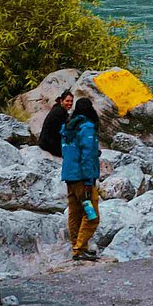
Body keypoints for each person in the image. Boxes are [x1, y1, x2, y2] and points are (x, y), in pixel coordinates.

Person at [61, 96, 101, 262]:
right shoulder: (87, 128)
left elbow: (68, 152)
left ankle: (76, 247)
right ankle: (80, 249)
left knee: (75, 213)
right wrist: (88, 181)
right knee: (92, 215)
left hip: (69, 177)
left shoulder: (68, 127)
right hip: (82, 179)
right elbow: (87, 156)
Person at [38, 89, 74, 159]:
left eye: (71, 101)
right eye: (67, 101)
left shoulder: (58, 109)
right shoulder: (59, 112)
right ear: (61, 101)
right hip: (50, 145)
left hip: (45, 143)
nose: (70, 103)